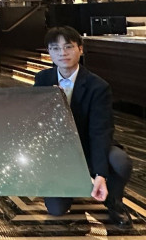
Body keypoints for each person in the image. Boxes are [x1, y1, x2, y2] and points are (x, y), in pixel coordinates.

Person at [34, 26, 132, 225]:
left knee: (120, 161)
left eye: (68, 47)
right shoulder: (43, 79)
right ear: (49, 52)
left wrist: (101, 173)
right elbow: (35, 123)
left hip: (89, 145)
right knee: (56, 210)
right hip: (59, 151)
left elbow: (100, 132)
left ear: (80, 49)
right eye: (55, 48)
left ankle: (114, 202)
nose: (62, 53)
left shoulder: (98, 86)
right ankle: (72, 185)